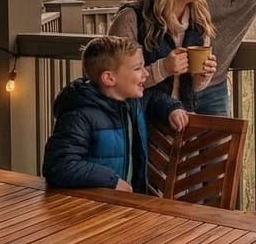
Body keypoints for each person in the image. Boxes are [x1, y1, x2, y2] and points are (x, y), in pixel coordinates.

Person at [42, 35, 187, 192]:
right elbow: (58, 165)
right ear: (109, 78)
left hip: (128, 204)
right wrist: (110, 180)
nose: (145, 74)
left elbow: (154, 99)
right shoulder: (79, 115)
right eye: (138, 68)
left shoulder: (132, 100)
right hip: (93, 207)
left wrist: (172, 108)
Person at [108, 0, 218, 122]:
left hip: (182, 123)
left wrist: (202, 75)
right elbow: (114, 80)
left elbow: (194, 87)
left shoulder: (198, 21)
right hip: (141, 127)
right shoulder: (131, 19)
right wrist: (163, 68)